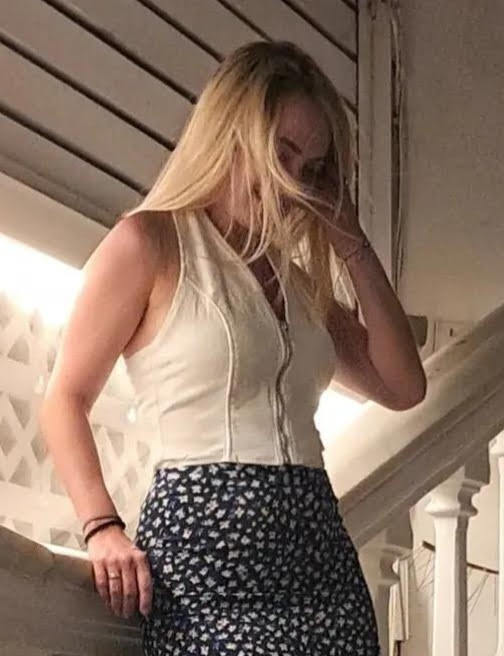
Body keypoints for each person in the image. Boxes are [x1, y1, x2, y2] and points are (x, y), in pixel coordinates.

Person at [39, 40, 426, 655]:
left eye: (312, 169)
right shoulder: (149, 242)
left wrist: (348, 236)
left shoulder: (300, 283)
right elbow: (64, 398)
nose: (293, 183)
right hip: (204, 559)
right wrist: (101, 525)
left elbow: (404, 385)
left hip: (320, 559)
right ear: (229, 133)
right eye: (282, 153)